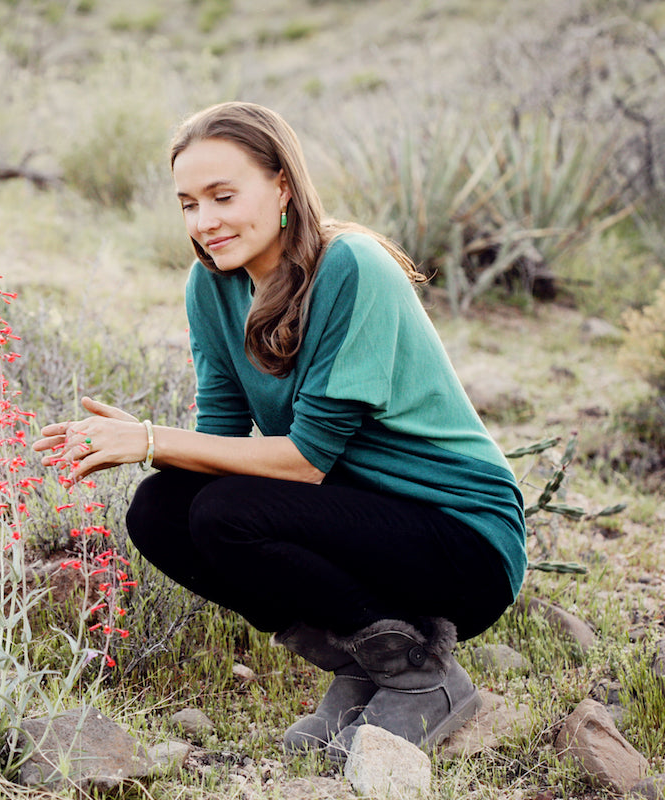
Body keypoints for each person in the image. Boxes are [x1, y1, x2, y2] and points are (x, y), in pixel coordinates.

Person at [31, 101, 526, 761]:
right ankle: (364, 664)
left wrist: (152, 438)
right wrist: (153, 446)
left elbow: (306, 461)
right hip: (360, 521)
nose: (205, 222)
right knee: (162, 508)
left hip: (461, 539)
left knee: (226, 510)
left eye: (223, 196)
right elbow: (223, 441)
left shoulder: (352, 266)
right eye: (187, 204)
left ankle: (422, 676)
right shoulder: (211, 286)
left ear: (282, 185)